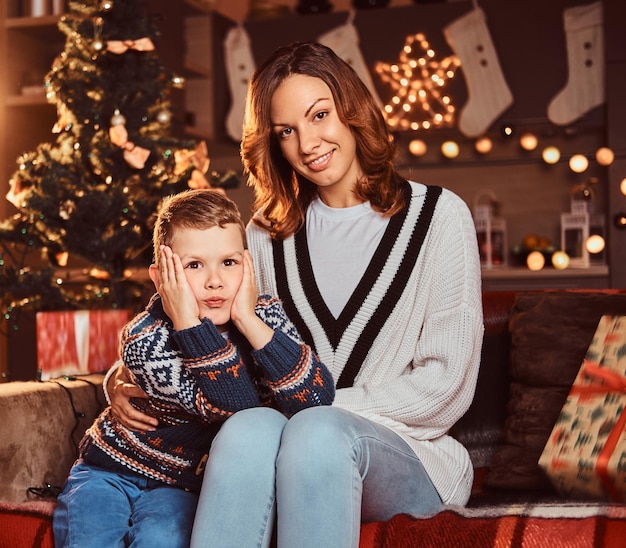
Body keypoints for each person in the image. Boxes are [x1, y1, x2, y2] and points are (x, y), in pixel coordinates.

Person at [109, 41, 484, 548]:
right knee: (246, 430)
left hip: (415, 455)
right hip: (291, 441)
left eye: (320, 115)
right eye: (287, 131)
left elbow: (445, 388)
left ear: (352, 110)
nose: (308, 143)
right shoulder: (265, 234)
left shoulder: (440, 217)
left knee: (314, 434)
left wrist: (316, 409)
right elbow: (199, 318)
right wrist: (122, 376)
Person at [52, 188, 335, 548]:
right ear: (161, 278)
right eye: (194, 265)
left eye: (229, 263)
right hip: (109, 470)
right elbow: (232, 408)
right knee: (91, 539)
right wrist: (186, 320)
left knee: (161, 539)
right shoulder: (146, 336)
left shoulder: (265, 318)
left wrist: (248, 319)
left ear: (248, 265)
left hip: (180, 486)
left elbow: (315, 398)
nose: (214, 281)